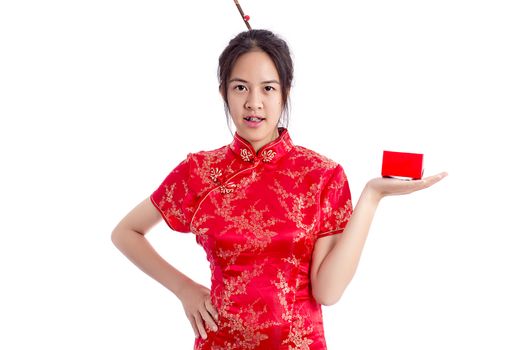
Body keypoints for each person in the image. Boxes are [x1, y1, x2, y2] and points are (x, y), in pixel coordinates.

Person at [111, 29, 447, 349]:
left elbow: (327, 292)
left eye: (268, 88)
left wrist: (372, 197)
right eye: (240, 88)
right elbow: (126, 232)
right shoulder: (200, 170)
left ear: (286, 91)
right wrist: (184, 289)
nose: (254, 103)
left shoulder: (321, 175)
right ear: (223, 93)